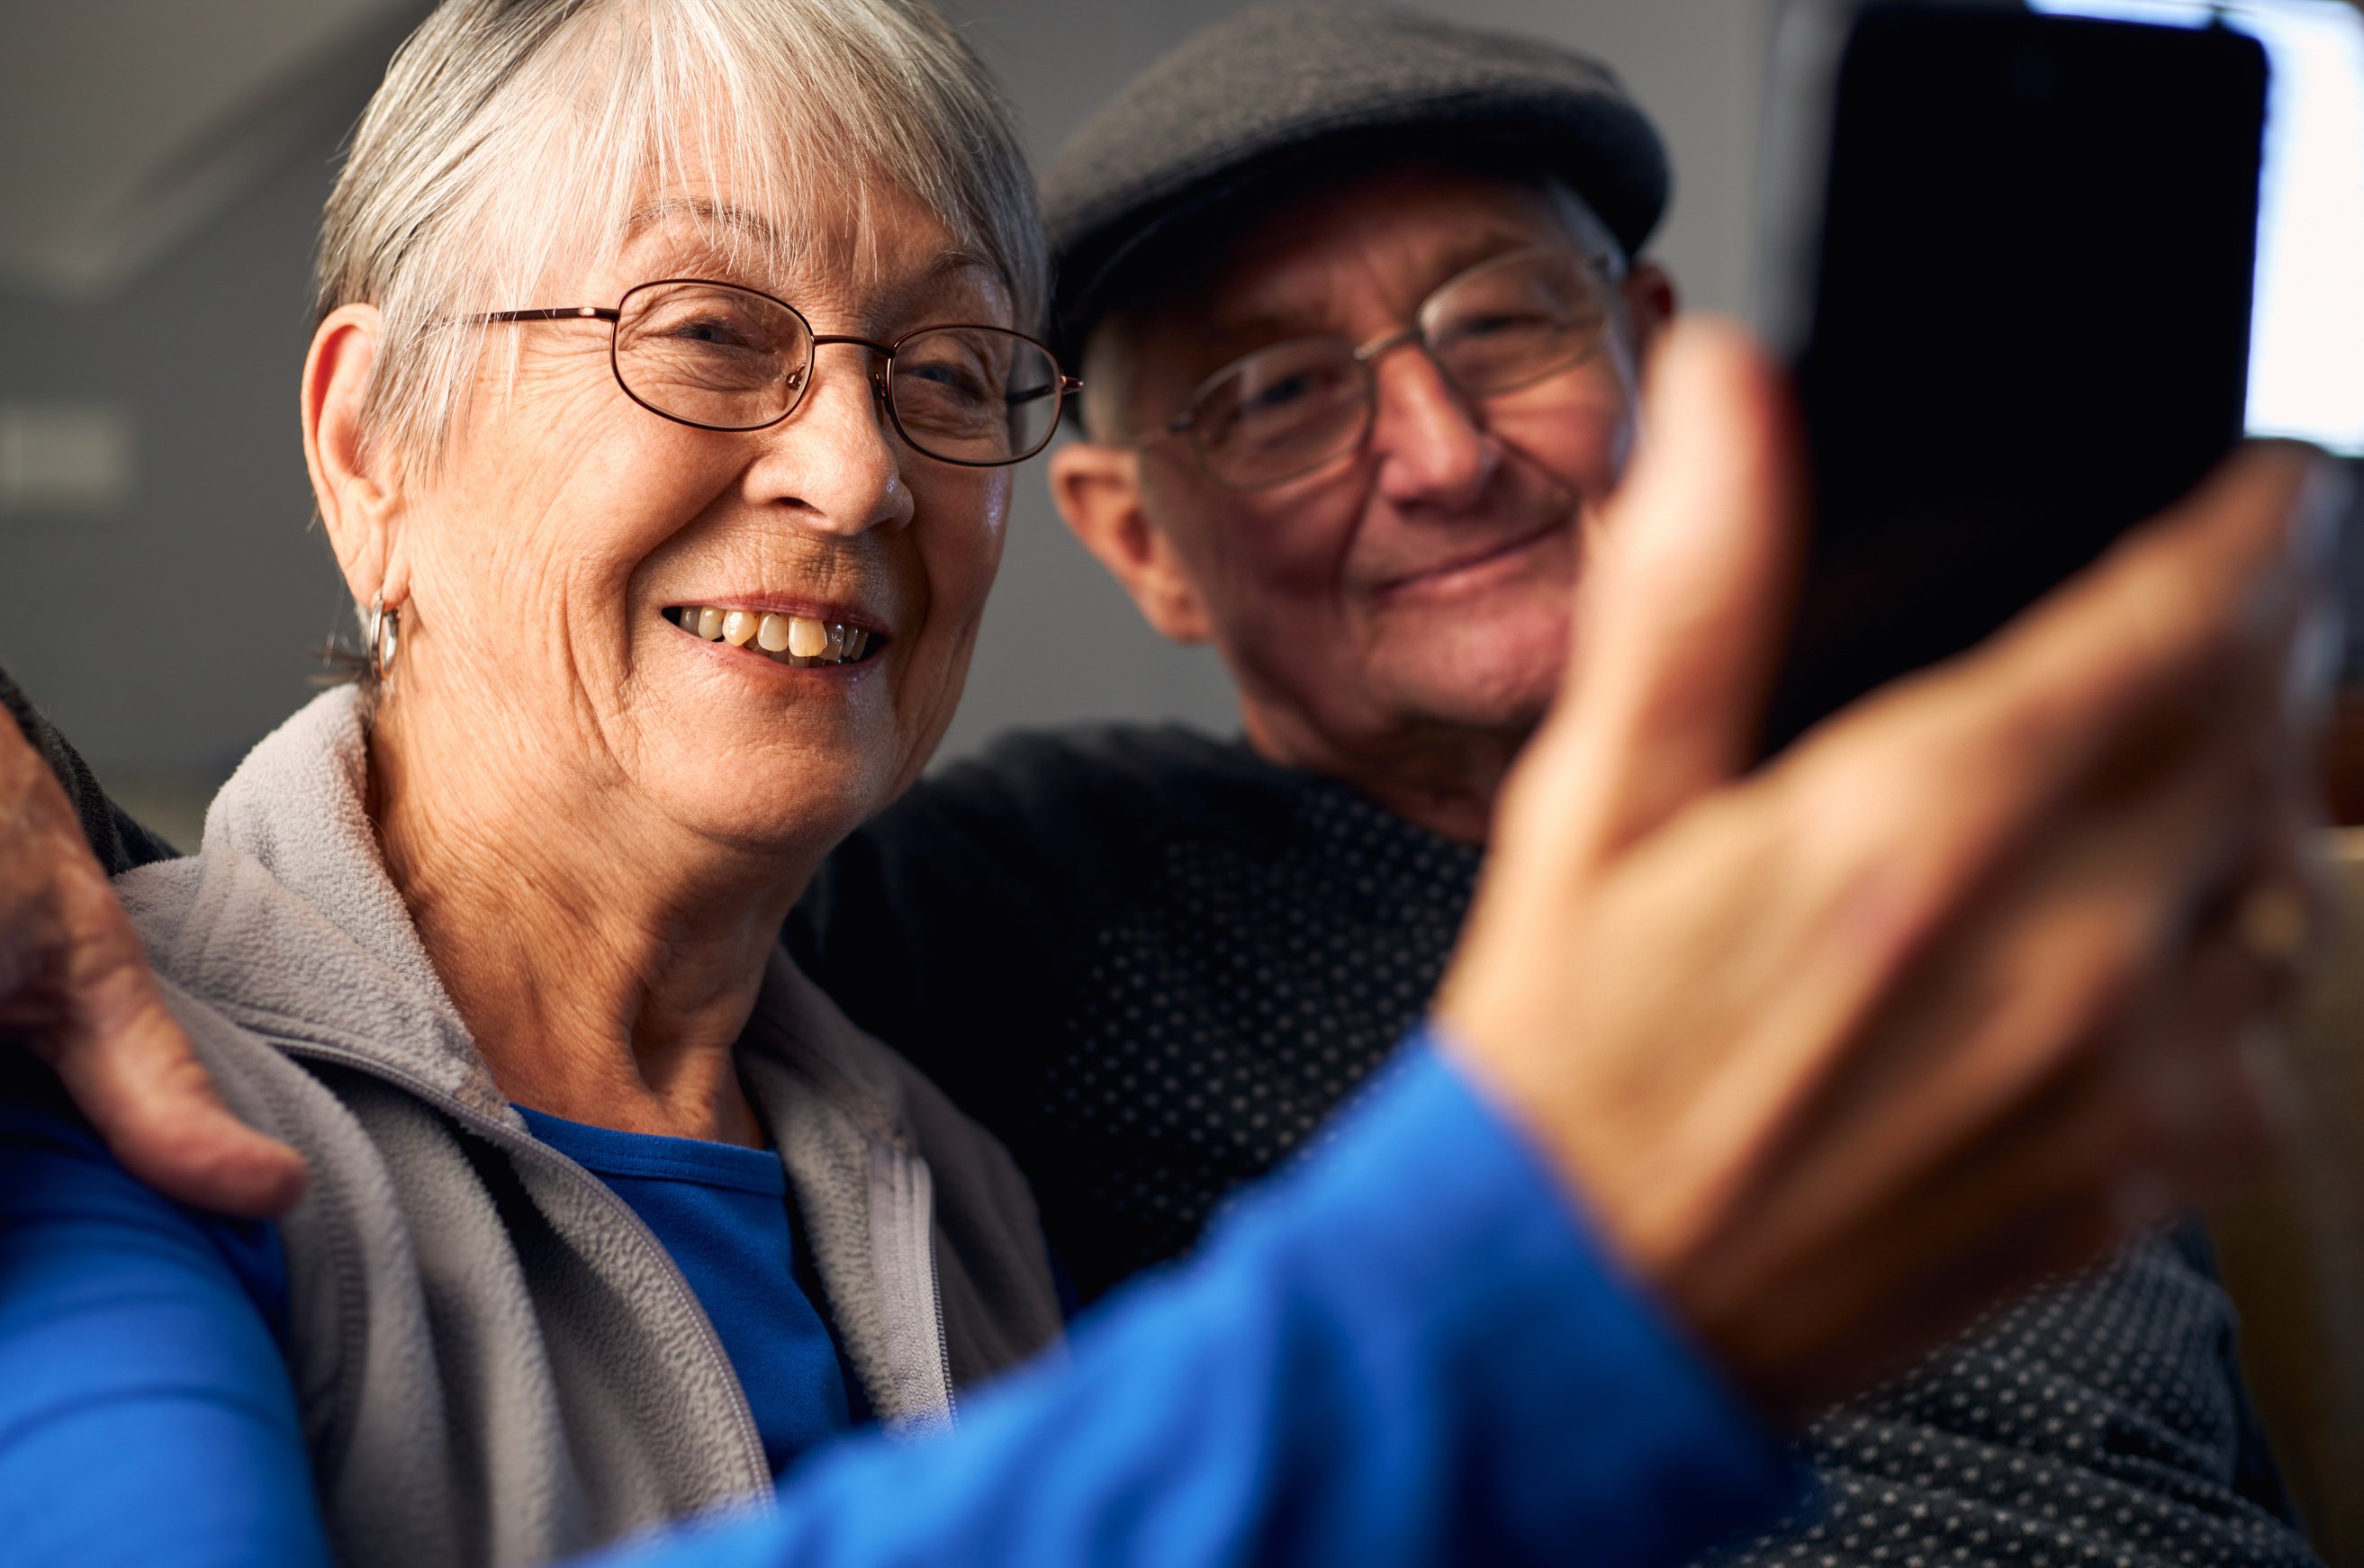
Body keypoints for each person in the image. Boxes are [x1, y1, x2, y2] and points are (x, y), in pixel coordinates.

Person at [0, 1, 2335, 1564]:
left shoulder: (934, 1167)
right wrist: (1539, 1287)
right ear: (362, 446)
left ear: (1655, 363)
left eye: (941, 373)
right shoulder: (99, 1102)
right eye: (706, 334)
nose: (845, 467)